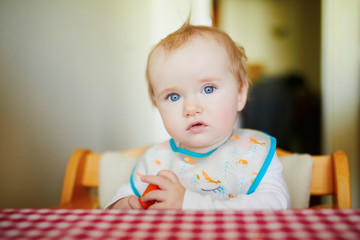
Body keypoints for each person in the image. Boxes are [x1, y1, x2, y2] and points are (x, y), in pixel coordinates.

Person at [106, 20, 290, 210]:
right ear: (157, 105)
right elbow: (125, 196)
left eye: (208, 89)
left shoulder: (255, 151)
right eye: (173, 96)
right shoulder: (157, 159)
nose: (191, 108)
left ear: (240, 94)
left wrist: (189, 203)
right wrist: (123, 204)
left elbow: (276, 204)